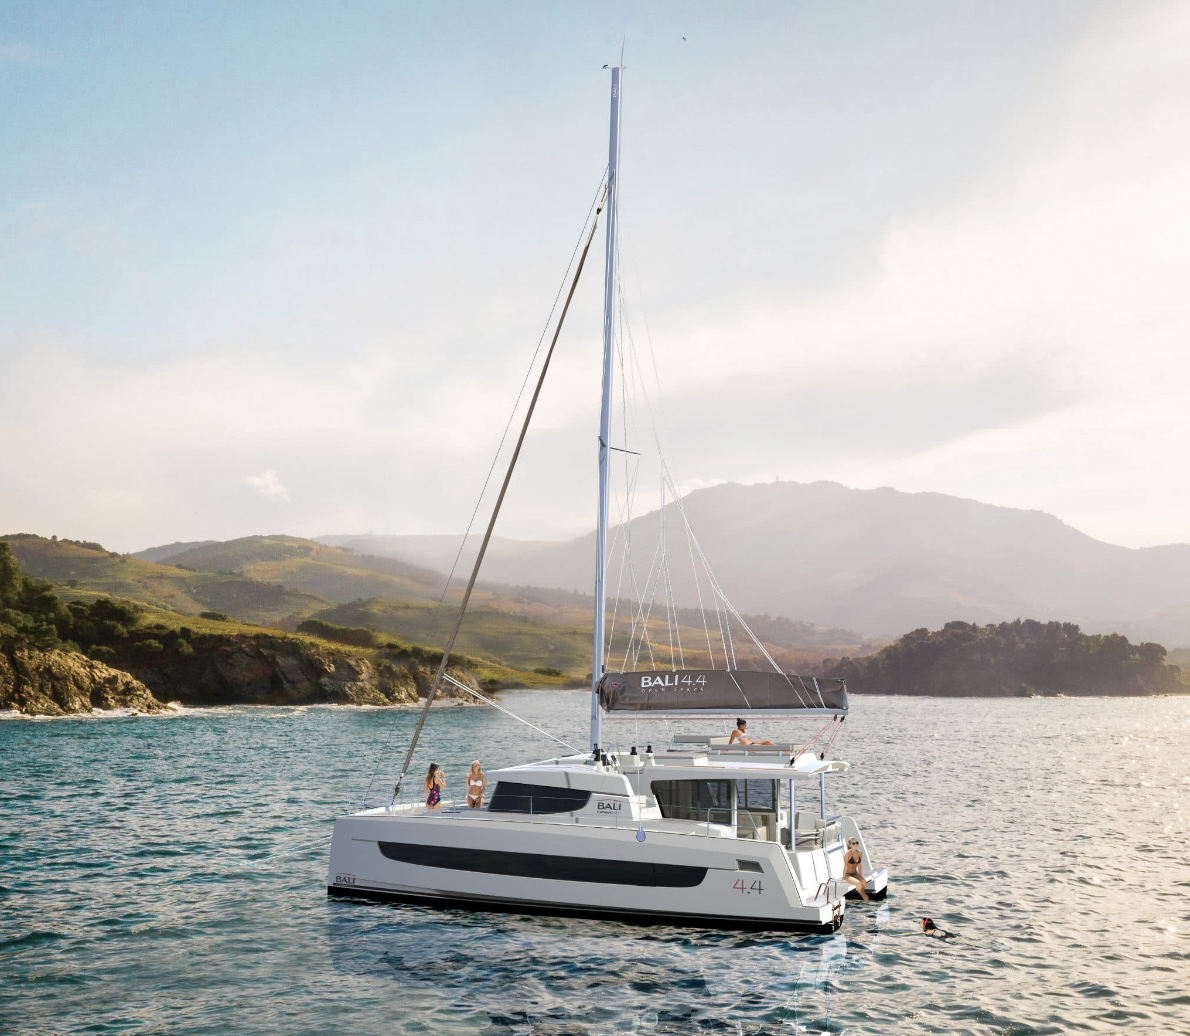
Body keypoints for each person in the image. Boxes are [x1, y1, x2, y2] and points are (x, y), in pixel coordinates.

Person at [842, 837, 869, 901]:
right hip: (847, 874)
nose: (856, 844)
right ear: (850, 845)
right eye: (853, 843)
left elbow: (859, 866)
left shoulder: (860, 853)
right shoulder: (848, 854)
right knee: (859, 883)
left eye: (857, 843)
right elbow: (845, 866)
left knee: (864, 882)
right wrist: (843, 877)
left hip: (855, 873)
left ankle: (861, 895)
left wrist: (861, 876)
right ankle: (864, 897)